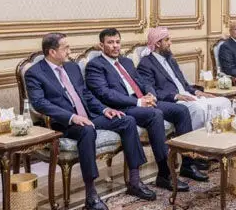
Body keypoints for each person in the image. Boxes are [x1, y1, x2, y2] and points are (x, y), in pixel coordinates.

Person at [25, 33, 155, 210]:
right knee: (87, 131)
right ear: (52, 52)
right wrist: (72, 117)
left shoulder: (72, 67)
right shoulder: (35, 73)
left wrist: (104, 109)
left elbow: (86, 94)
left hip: (89, 116)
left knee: (127, 120)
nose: (70, 52)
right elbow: (40, 103)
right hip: (63, 123)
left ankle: (134, 181)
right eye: (66, 48)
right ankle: (91, 193)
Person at [85, 28, 207, 190]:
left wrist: (151, 94)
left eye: (117, 42)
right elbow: (106, 94)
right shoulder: (95, 66)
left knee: (181, 111)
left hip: (142, 101)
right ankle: (164, 174)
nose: (115, 46)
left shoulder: (126, 62)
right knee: (155, 115)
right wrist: (139, 102)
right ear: (101, 45)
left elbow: (142, 82)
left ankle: (188, 164)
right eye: (110, 43)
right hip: (122, 107)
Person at [138, 27, 234, 129]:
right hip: (173, 101)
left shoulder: (171, 60)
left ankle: (218, 134)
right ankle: (195, 138)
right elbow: (152, 91)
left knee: (224, 102)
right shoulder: (146, 63)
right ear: (158, 43)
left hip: (188, 95)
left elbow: (184, 84)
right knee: (198, 110)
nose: (170, 43)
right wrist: (175, 96)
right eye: (167, 40)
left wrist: (198, 92)